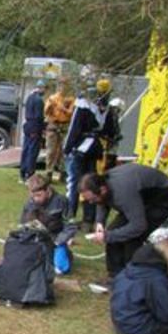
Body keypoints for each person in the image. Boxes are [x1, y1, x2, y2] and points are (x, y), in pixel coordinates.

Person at [81, 163, 168, 280]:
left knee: (132, 237)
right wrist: (100, 222)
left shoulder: (122, 192)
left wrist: (108, 236)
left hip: (165, 197)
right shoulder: (103, 183)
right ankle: (115, 276)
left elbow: (138, 226)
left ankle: (132, 277)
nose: (91, 203)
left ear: (103, 190)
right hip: (141, 198)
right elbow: (101, 201)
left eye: (92, 199)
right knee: (114, 231)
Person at [64, 80, 105, 229]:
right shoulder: (100, 109)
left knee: (74, 182)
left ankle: (69, 216)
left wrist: (67, 148)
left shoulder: (82, 106)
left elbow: (73, 130)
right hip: (94, 148)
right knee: (90, 183)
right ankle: (89, 219)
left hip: (80, 148)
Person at [21, 173, 78, 274]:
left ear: (47, 190)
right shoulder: (30, 203)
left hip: (56, 239)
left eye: (39, 195)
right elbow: (23, 223)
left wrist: (61, 240)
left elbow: (70, 226)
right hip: (36, 237)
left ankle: (65, 254)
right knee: (25, 261)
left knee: (61, 268)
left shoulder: (61, 201)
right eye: (33, 196)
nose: (36, 199)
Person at [43, 77, 74, 181]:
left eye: (65, 85)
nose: (63, 87)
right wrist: (50, 106)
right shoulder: (52, 98)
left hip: (64, 125)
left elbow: (71, 113)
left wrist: (62, 108)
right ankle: (49, 172)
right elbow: (46, 112)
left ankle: (62, 172)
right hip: (53, 125)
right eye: (61, 85)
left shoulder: (70, 99)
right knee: (51, 150)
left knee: (63, 150)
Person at [19, 80, 46, 183]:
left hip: (28, 125)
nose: (44, 91)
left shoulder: (29, 97)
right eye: (44, 88)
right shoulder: (39, 100)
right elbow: (39, 116)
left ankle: (22, 173)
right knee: (32, 151)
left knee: (26, 150)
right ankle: (29, 174)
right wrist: (43, 127)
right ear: (41, 88)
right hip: (35, 127)